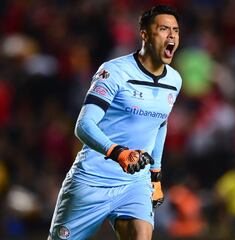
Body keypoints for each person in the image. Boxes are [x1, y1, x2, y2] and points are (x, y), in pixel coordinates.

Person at [48, 5, 182, 240]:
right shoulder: (114, 72)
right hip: (92, 180)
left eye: (176, 30)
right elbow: (84, 125)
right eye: (163, 29)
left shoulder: (174, 80)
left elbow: (160, 123)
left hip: (134, 183)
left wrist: (155, 173)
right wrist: (118, 153)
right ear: (145, 35)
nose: (171, 36)